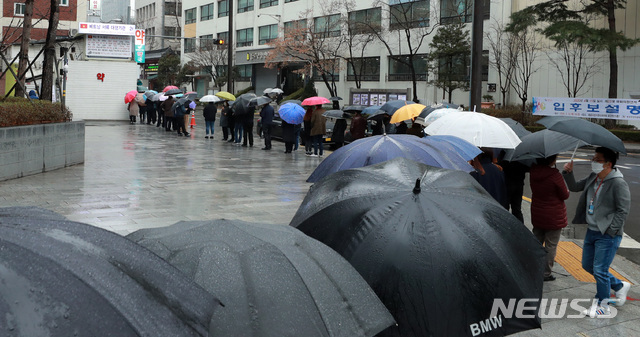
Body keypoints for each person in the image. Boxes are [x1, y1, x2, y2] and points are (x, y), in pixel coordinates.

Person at [562, 147, 631, 317]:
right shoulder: (594, 177)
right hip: (592, 230)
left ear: (608, 164)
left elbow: (623, 210)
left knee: (600, 269)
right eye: (593, 158)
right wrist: (568, 173)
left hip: (607, 234)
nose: (593, 162)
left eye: (597, 159)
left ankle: (603, 306)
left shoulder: (618, 183)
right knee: (587, 265)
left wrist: (611, 231)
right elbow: (575, 187)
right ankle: (619, 285)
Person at [530, 155, 570, 282]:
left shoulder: (533, 172)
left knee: (536, 243)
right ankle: (546, 273)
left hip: (538, 213)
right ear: (552, 160)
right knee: (550, 245)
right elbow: (565, 195)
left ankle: (532, 269)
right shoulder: (554, 175)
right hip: (553, 215)